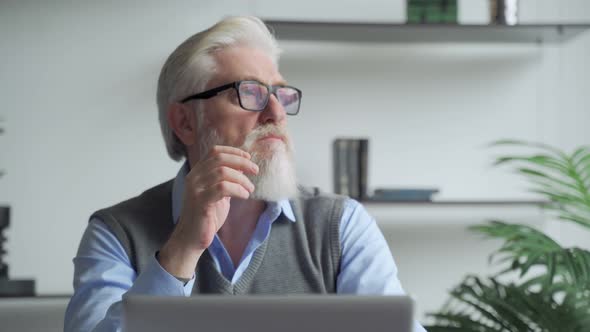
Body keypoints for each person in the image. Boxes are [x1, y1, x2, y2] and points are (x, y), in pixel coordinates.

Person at [64, 16, 426, 332]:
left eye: (280, 94)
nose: (275, 113)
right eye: (249, 92)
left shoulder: (341, 225)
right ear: (185, 122)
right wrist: (184, 247)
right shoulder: (116, 233)